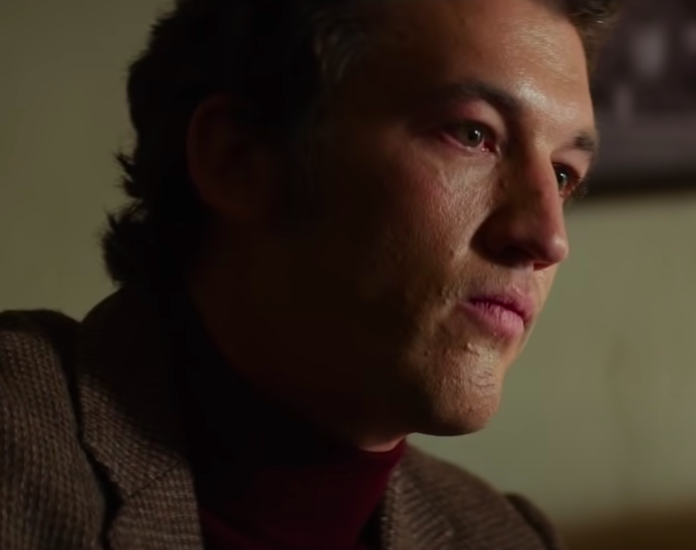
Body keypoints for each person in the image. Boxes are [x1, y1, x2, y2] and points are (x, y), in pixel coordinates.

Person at [0, 0, 619, 548]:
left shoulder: (505, 537)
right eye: (473, 133)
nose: (548, 238)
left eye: (564, 175)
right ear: (239, 160)